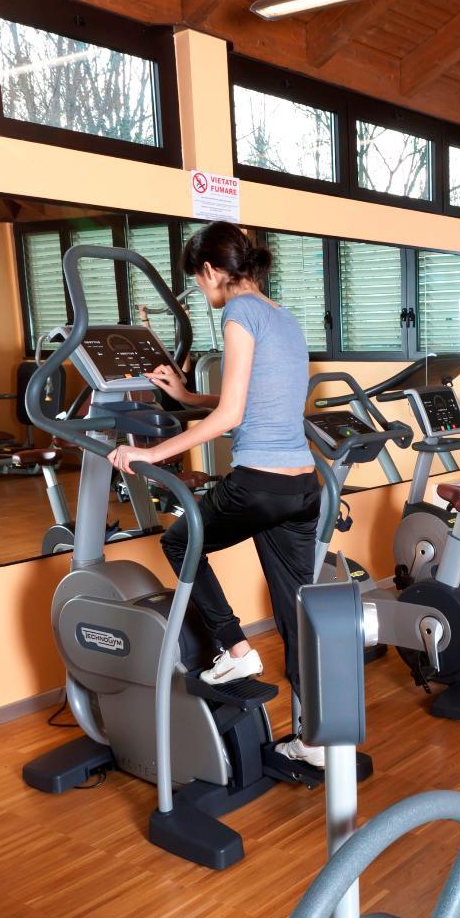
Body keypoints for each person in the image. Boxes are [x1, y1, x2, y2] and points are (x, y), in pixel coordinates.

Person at [105, 223, 326, 766]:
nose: (202, 292)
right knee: (296, 613)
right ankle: (316, 742)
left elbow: (231, 416)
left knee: (180, 542)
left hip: (260, 483)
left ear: (210, 271)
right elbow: (251, 400)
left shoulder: (239, 313)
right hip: (302, 488)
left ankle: (236, 648)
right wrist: (186, 396)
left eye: (198, 281)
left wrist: (151, 454)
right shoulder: (281, 315)